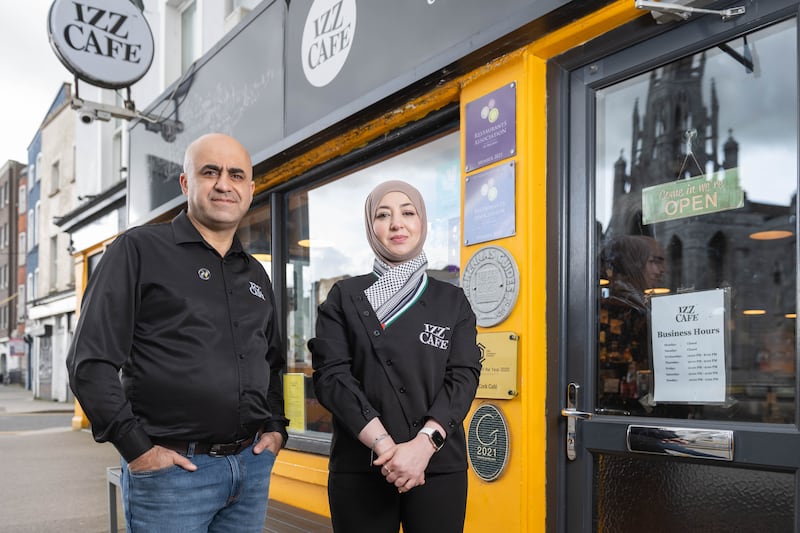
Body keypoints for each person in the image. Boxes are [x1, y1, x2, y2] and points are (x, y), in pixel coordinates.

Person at [67, 133, 288, 533]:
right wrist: (137, 449)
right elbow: (90, 362)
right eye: (210, 172)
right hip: (173, 475)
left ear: (251, 189)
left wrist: (276, 428)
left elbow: (271, 361)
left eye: (236, 175)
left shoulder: (255, 272)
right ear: (186, 184)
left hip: (250, 469)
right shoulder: (138, 250)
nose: (224, 183)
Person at [309, 180, 481, 533]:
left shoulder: (453, 301)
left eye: (408, 212)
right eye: (382, 215)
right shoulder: (344, 296)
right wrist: (385, 446)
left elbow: (463, 377)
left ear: (423, 222)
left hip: (437, 464)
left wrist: (423, 445)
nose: (396, 223)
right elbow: (332, 377)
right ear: (371, 227)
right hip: (362, 466)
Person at [598, 235, 666, 414]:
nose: (662, 270)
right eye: (654, 261)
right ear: (634, 263)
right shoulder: (625, 304)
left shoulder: (635, 301)